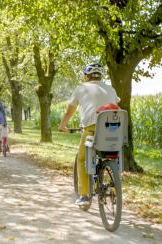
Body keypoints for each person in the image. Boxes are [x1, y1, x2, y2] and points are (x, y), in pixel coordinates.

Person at [58, 62, 120, 207]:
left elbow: (69, 112)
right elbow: (117, 106)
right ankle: (115, 189)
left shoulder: (82, 88)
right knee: (113, 157)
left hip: (92, 128)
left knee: (82, 159)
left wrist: (62, 126)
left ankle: (84, 196)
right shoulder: (110, 88)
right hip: (114, 129)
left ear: (87, 76)